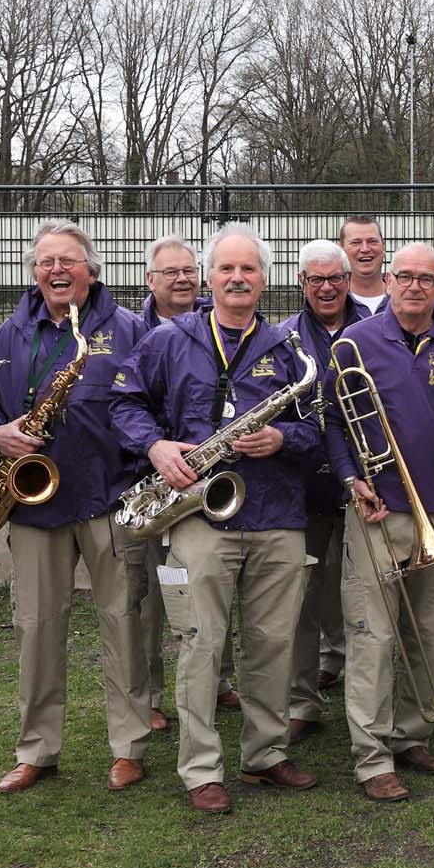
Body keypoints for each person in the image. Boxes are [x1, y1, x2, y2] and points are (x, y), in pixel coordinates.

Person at [110, 225, 322, 815]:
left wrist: (284, 435)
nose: (236, 279)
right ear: (208, 277)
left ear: (264, 278)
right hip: (201, 512)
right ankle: (201, 768)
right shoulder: (169, 339)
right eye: (226, 269)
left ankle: (266, 754)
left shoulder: (289, 349)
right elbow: (123, 403)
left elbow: (320, 432)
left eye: (248, 270)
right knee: (200, 645)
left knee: (274, 644)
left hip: (278, 513)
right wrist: (156, 448)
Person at [0, 220, 151, 794]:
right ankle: (37, 749)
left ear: (91, 270)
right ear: (33, 271)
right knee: (36, 628)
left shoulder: (129, 329)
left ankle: (128, 746)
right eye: (47, 261)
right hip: (33, 505)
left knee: (122, 624)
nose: (57, 270)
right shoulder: (7, 335)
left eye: (69, 261)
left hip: (109, 499)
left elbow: (154, 406)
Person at [331, 244, 434, 795]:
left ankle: (411, 733)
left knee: (432, 631)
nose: (415, 286)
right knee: (372, 637)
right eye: (405, 277)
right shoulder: (355, 342)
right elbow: (334, 422)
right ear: (388, 281)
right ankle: (372, 757)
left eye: (427, 279)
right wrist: (352, 478)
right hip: (378, 514)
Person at [280, 240, 369, 745]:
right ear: (302, 284)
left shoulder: (375, 332)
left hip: (365, 483)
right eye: (317, 280)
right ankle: (301, 703)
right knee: (300, 599)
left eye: (336, 278)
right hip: (304, 485)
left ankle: (366, 700)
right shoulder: (284, 338)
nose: (328, 287)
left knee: (364, 600)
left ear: (349, 277)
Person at [131, 234, 215, 724]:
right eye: (170, 272)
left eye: (189, 270)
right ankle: (153, 696)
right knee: (151, 596)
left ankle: (216, 680)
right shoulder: (128, 329)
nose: (182, 279)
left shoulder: (212, 326)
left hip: (200, 486)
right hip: (148, 486)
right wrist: (152, 445)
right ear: (150, 280)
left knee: (202, 588)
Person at [341, 215, 389, 316]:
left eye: (372, 241)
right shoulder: (334, 302)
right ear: (341, 250)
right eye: (355, 243)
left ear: (383, 248)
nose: (365, 249)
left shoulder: (403, 297)